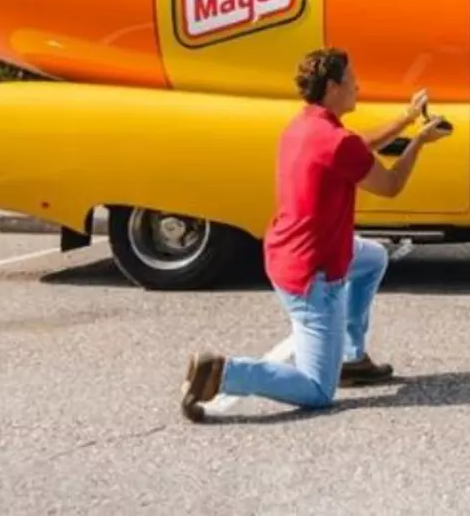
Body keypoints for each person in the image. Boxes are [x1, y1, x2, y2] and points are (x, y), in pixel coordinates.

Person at [179, 47, 451, 421]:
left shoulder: (307, 125)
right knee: (317, 390)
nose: (358, 84)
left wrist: (406, 118)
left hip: (293, 250)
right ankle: (222, 373)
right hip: (313, 273)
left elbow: (359, 145)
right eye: (352, 78)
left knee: (373, 258)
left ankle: (351, 357)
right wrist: (419, 143)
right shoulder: (337, 142)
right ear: (333, 87)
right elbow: (390, 185)